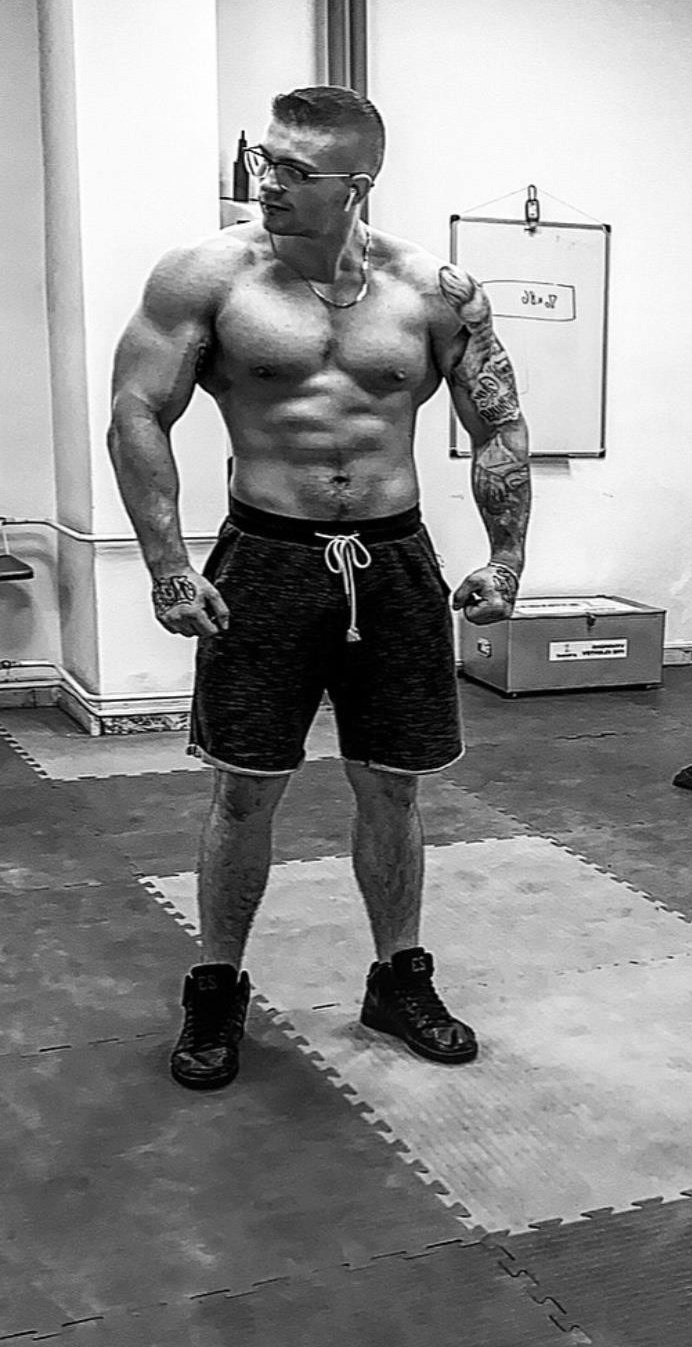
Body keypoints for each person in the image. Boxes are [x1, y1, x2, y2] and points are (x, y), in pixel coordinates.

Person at [107, 86, 530, 1091]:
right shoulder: (207, 277)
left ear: (357, 184)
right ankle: (217, 988)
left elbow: (500, 423)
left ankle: (399, 979)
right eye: (266, 160)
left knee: (393, 784)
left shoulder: (433, 291)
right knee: (245, 787)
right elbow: (136, 410)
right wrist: (168, 565)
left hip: (395, 563)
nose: (269, 183)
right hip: (267, 559)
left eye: (297, 171)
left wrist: (506, 556)